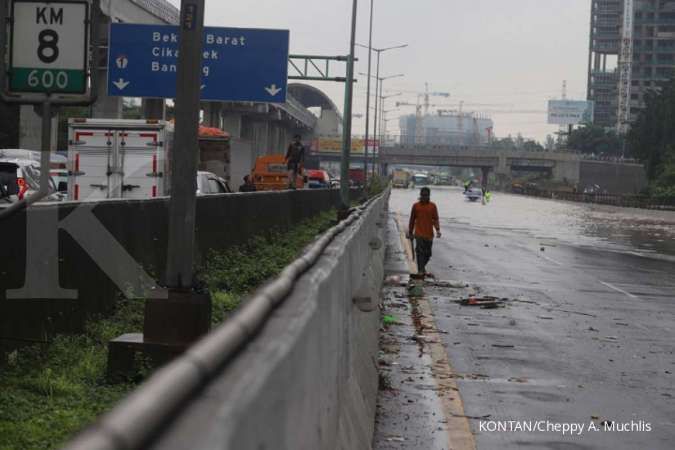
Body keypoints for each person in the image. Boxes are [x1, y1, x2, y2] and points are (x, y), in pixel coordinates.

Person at [407, 187, 441, 275]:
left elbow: (435, 219)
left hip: (429, 235)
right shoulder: (416, 206)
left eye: (426, 195)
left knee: (428, 254)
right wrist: (410, 232)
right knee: (419, 252)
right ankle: (420, 271)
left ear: (429, 196)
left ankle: (422, 268)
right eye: (423, 195)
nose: (424, 197)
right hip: (419, 234)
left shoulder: (433, 206)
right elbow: (412, 219)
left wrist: (437, 230)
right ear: (420, 195)